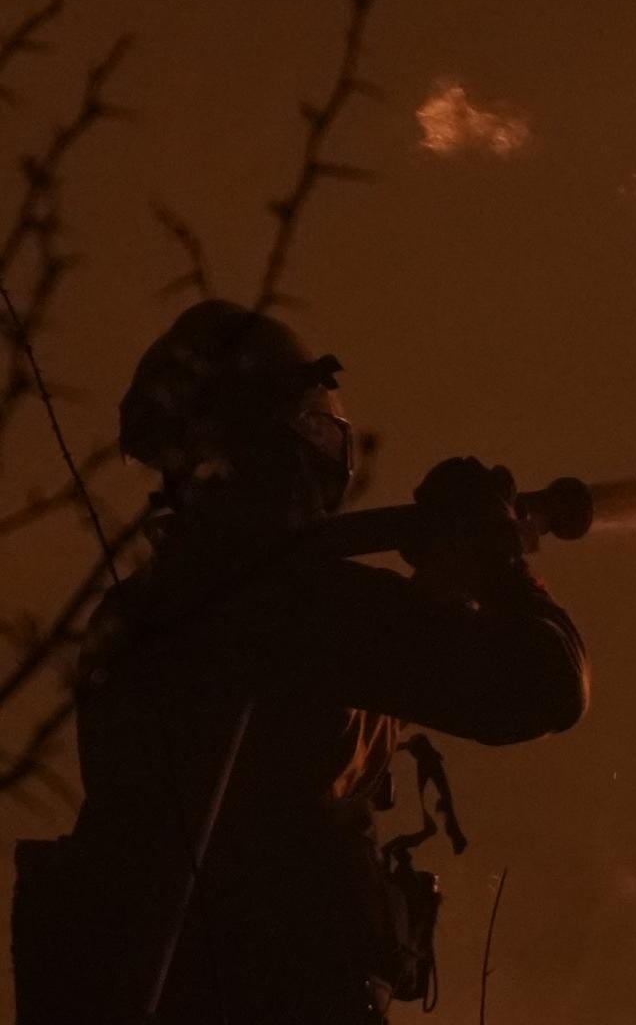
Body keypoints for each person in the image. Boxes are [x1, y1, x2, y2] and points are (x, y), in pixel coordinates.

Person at [11, 300, 588, 1024]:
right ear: (295, 439)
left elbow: (295, 729)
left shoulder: (148, 612)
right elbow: (541, 685)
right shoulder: (285, 603)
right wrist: (501, 565)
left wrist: (434, 593)